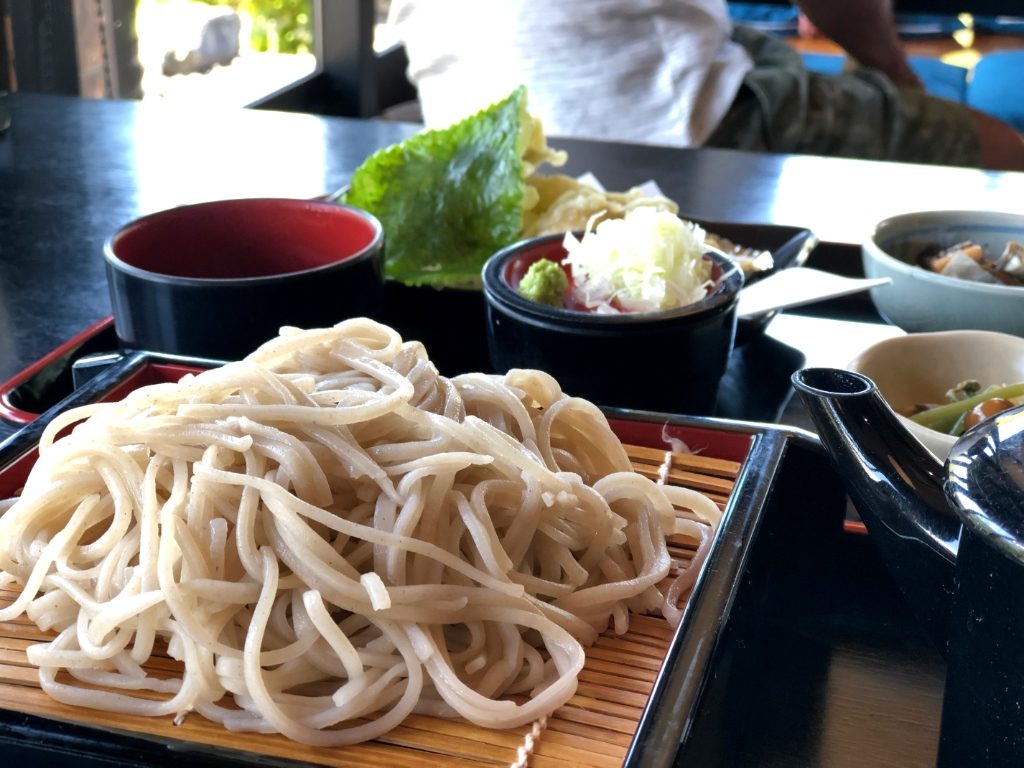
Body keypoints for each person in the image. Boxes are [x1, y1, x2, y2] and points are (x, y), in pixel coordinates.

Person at [387, 0, 1024, 171]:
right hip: (671, 122)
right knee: (1001, 151)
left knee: (756, 44)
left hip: (470, 137)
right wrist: (898, 79)